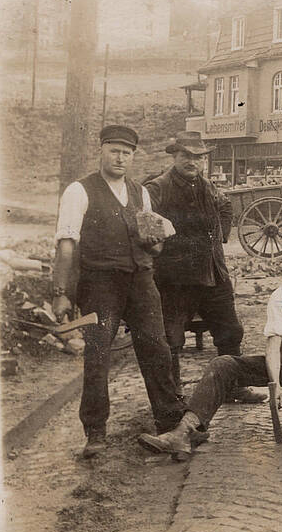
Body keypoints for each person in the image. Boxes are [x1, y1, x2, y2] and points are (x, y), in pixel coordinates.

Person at [137, 247, 282, 458]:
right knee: (223, 365)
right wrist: (275, 383)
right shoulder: (280, 295)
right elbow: (273, 344)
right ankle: (185, 431)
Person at [51, 124, 186, 458]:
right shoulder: (79, 191)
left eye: (127, 152)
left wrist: (154, 243)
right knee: (97, 356)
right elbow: (67, 246)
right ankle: (95, 432)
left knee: (157, 348)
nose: (120, 157)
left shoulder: (140, 192)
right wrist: (61, 291)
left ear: (134, 156)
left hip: (140, 281)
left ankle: (170, 424)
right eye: (114, 150)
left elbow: (151, 244)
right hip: (100, 284)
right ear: (101, 150)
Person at [146, 131, 255, 400]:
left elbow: (227, 207)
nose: (191, 161)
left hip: (213, 274)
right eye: (186, 155)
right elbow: (144, 220)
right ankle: (172, 396)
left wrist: (221, 237)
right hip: (176, 279)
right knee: (171, 338)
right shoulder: (158, 188)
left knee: (231, 331)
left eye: (197, 157)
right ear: (175, 156)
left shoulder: (209, 187)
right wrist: (158, 247)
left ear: (204, 160)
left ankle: (233, 386)